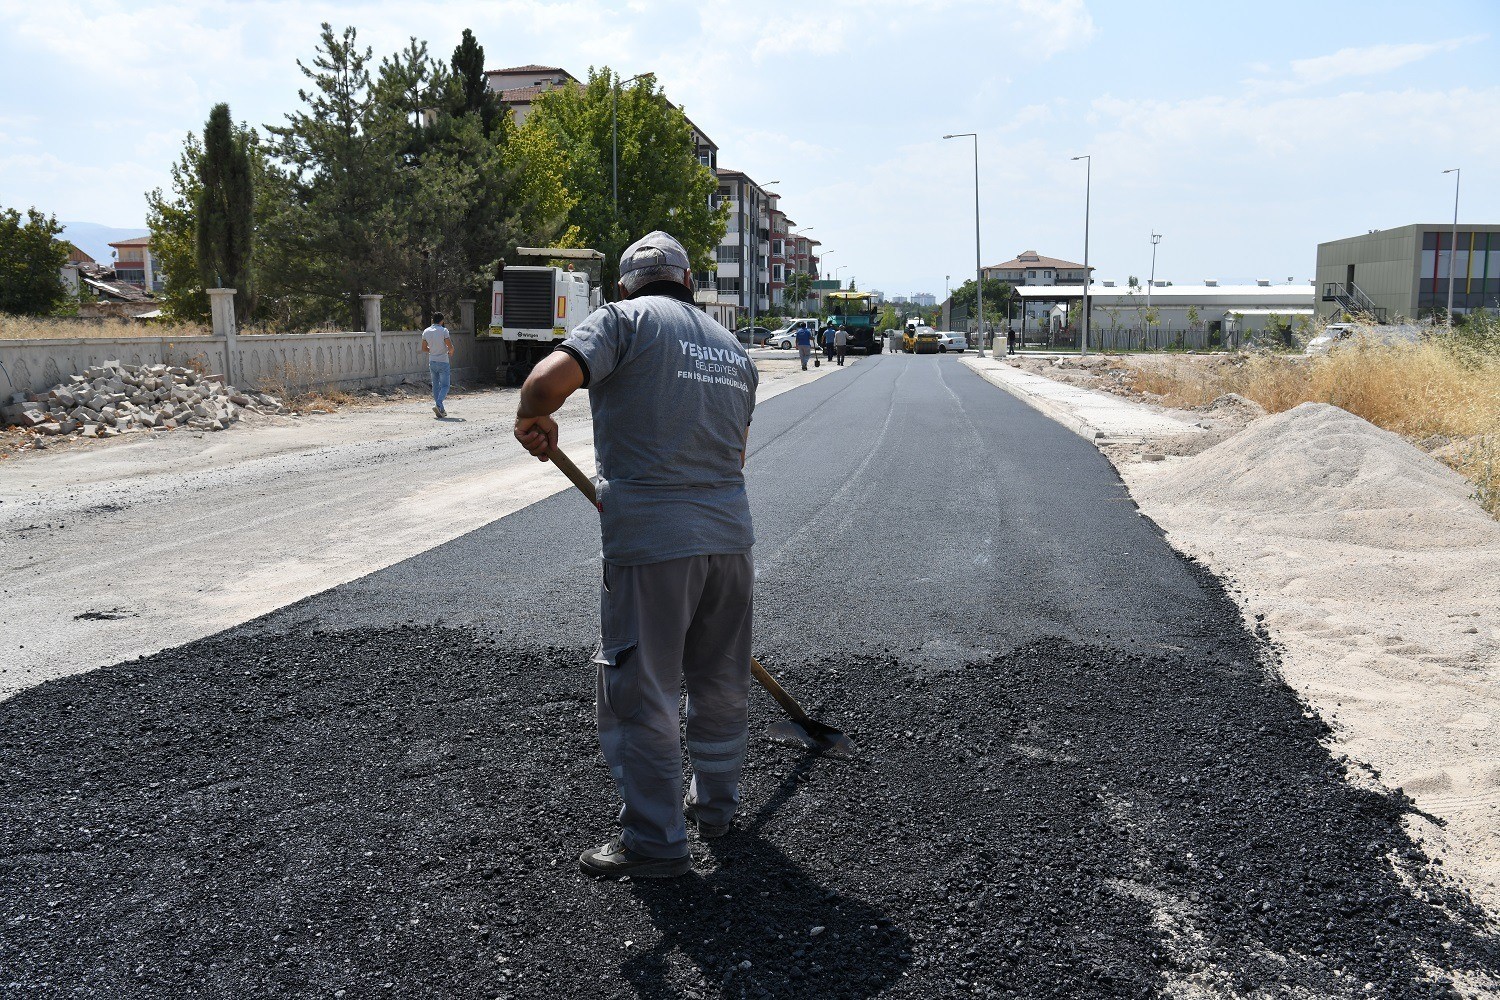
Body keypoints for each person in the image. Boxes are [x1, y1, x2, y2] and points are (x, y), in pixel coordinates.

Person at [513, 231, 759, 880]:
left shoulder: (622, 321)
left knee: (643, 690)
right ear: (689, 283)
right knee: (720, 681)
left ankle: (654, 842)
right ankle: (716, 809)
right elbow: (733, 457)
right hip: (730, 540)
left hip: (652, 545)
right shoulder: (735, 350)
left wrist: (530, 416)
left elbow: (545, 381)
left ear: (623, 287)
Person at [421, 312, 453, 417]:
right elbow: (449, 346)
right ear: (442, 321)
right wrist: (451, 351)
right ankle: (438, 404)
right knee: (445, 385)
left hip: (432, 361)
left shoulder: (426, 331)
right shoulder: (444, 331)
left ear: (432, 320)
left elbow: (424, 348)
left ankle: (441, 410)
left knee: (435, 386)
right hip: (443, 361)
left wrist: (433, 350)